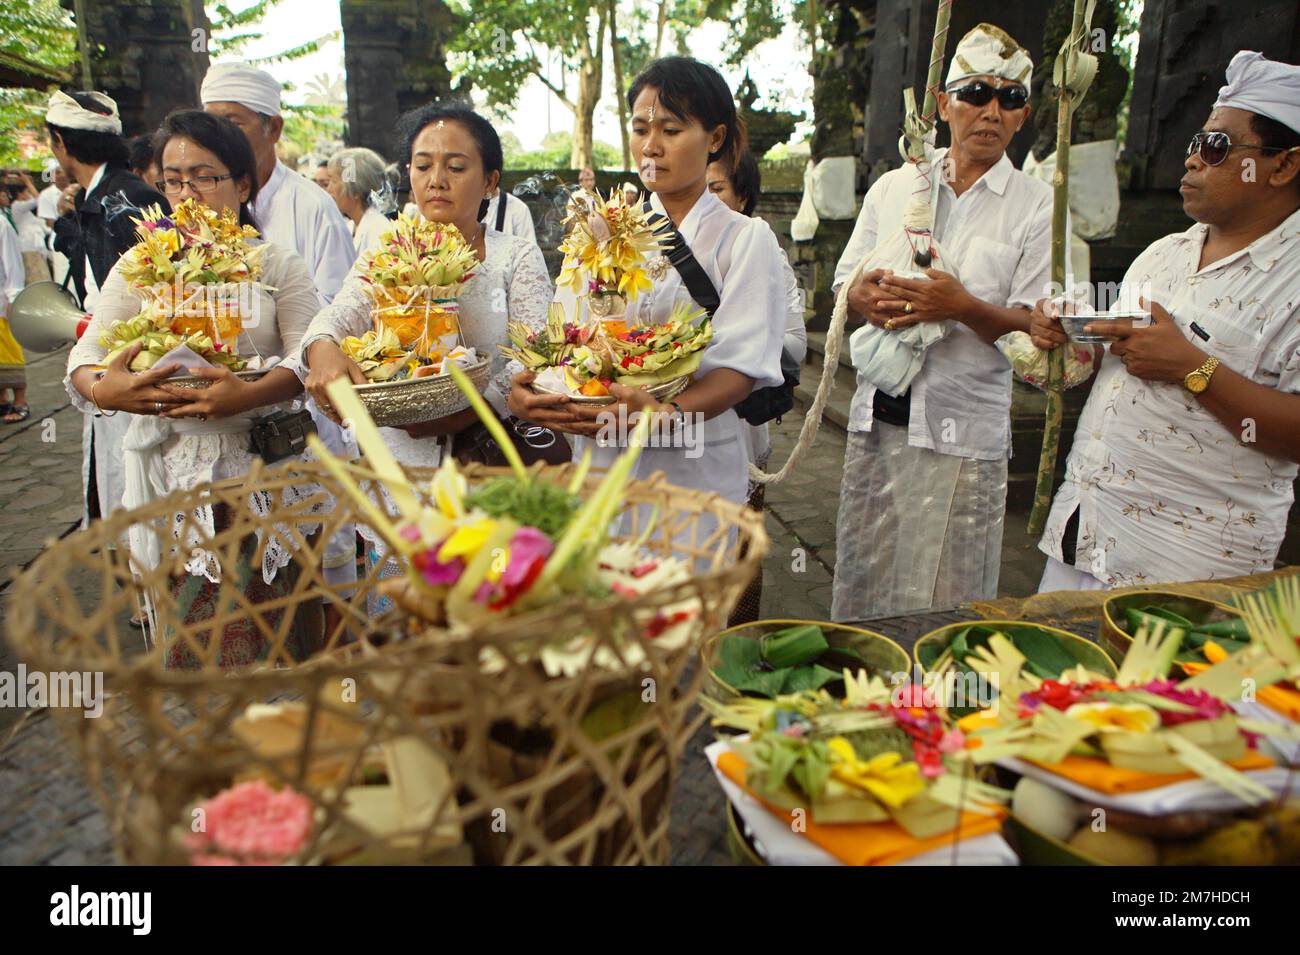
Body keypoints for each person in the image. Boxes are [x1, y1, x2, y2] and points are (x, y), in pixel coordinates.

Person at [1030, 51, 1300, 591]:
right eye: (1195, 145)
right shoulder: (1163, 253)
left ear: (1284, 165)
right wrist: (1074, 336)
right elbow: (1125, 359)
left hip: (1187, 563)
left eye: (1218, 146)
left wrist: (1194, 369)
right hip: (1083, 529)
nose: (1194, 160)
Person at [64, 110, 323, 667]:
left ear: (243, 183)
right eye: (174, 180)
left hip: (266, 470)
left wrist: (249, 394)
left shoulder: (274, 261)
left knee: (281, 652)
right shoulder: (142, 263)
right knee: (202, 662)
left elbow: (311, 355)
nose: (188, 194)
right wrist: (111, 391)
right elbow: (84, 359)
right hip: (174, 479)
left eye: (205, 177)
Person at [508, 56, 787, 545]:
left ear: (715, 139)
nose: (651, 146)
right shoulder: (598, 233)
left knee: (682, 611)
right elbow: (564, 341)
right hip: (602, 462)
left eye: (672, 129)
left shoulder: (744, 240)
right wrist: (533, 393)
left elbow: (740, 369)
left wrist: (667, 414)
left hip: (693, 468)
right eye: (640, 129)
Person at [829, 23, 1053, 621]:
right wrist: (864, 296)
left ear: (1022, 114)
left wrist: (964, 308)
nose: (991, 112)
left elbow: (1037, 327)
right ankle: (867, 691)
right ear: (942, 103)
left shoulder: (1036, 205)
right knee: (868, 572)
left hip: (963, 428)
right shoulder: (897, 186)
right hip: (881, 414)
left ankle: (936, 705)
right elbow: (844, 280)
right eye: (976, 93)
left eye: (1009, 99)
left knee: (951, 596)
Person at [300, 104, 553, 611]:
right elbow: (338, 316)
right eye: (422, 165)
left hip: (488, 468)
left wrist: (472, 407)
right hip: (399, 477)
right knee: (405, 639)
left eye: (456, 167)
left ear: (490, 182)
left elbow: (535, 353)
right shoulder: (384, 252)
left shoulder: (513, 257)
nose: (437, 180)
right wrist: (322, 352)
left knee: (487, 633)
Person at [46, 90, 170, 534]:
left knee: (138, 497)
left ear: (60, 142)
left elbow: (161, 294)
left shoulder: (125, 198)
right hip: (105, 362)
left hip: (134, 367)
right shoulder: (103, 194)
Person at [706, 147, 807, 621]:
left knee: (740, 551)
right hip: (667, 432)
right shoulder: (652, 247)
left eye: (716, 189)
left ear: (742, 197)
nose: (705, 201)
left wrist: (727, 354)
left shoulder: (762, 251)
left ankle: (738, 646)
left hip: (738, 428)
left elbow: (793, 342)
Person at [201, 62, 355, 304]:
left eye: (233, 124)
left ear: (273, 128)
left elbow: (340, 306)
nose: (219, 138)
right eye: (210, 125)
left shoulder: (314, 208)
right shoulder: (197, 206)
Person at [322, 147, 392, 253]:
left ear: (356, 190)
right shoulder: (350, 226)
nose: (329, 189)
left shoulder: (379, 231)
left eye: (334, 181)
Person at [0, 203, 27, 423]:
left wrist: (13, 297)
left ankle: (20, 400)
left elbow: (12, 264)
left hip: (1, 300)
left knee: (9, 353)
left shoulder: (2, 225)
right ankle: (2, 399)